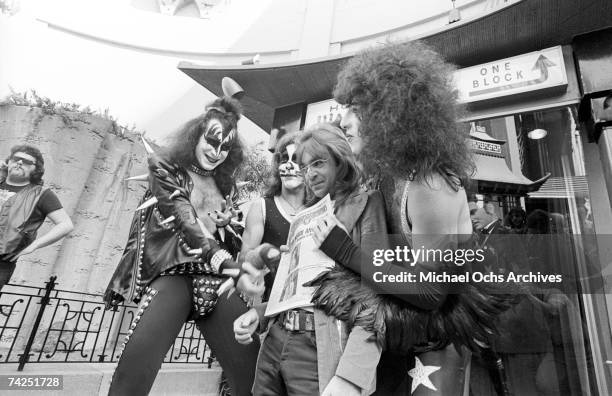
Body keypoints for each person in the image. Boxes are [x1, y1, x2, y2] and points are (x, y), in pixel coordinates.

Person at [306, 40, 516, 395]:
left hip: (436, 345)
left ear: (393, 112)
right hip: (398, 341)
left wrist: (345, 252)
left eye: (356, 108)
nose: (344, 120)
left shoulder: (430, 185)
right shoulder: (386, 176)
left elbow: (432, 292)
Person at [104, 97, 261, 396]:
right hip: (175, 275)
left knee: (255, 381)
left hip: (215, 284)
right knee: (130, 382)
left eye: (225, 147)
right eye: (212, 141)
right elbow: (183, 217)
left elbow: (219, 233)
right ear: (196, 136)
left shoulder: (224, 185)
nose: (216, 152)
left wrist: (227, 225)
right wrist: (227, 263)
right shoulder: (165, 166)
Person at [234, 124, 387, 396]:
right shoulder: (305, 214)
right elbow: (298, 290)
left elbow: (377, 293)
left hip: (322, 349)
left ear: (340, 161)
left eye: (318, 163)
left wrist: (352, 375)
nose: (310, 174)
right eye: (306, 167)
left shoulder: (367, 203)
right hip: (275, 342)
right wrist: (259, 313)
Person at [240, 132, 305, 302]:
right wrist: (264, 255)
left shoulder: (318, 209)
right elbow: (244, 259)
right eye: (285, 159)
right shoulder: (261, 207)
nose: (290, 166)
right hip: (268, 308)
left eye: (297, 160)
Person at [0, 145, 74, 288]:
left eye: (27, 162)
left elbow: (66, 225)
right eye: (16, 159)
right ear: (8, 162)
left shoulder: (41, 194)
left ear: (36, 169)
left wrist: (34, 245)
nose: (20, 162)